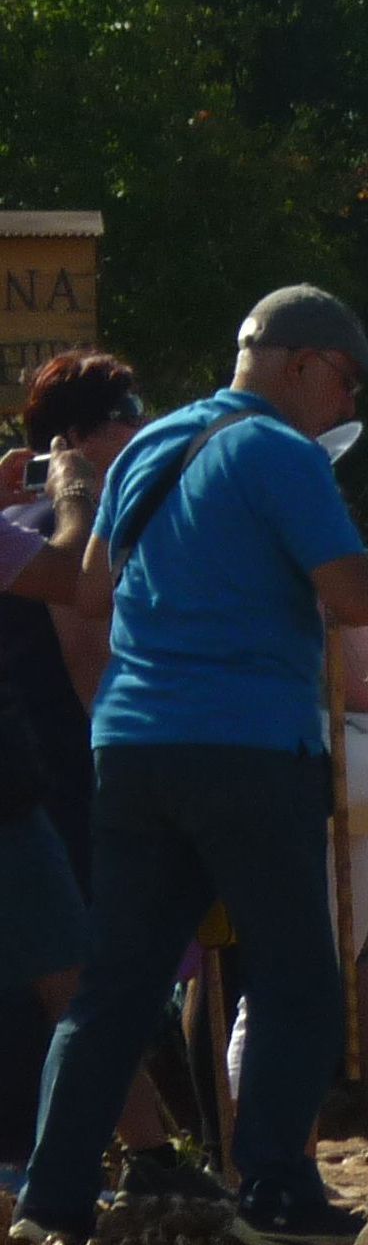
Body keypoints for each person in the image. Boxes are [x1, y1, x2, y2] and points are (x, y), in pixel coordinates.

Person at [24, 286, 368, 1245]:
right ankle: (275, 1191)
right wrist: (362, 564)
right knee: (295, 978)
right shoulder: (283, 453)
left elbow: (97, 586)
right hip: (250, 746)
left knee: (117, 984)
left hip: (134, 747)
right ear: (301, 362)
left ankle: (53, 1201)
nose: (350, 405)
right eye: (349, 381)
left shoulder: (150, 446)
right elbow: (353, 598)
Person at [0, 352, 141, 1181]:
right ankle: (107, 1159)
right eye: (127, 414)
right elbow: (88, 635)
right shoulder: (52, 528)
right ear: (76, 438)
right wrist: (75, 496)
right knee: (70, 973)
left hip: (32, 768)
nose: (144, 428)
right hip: (48, 773)